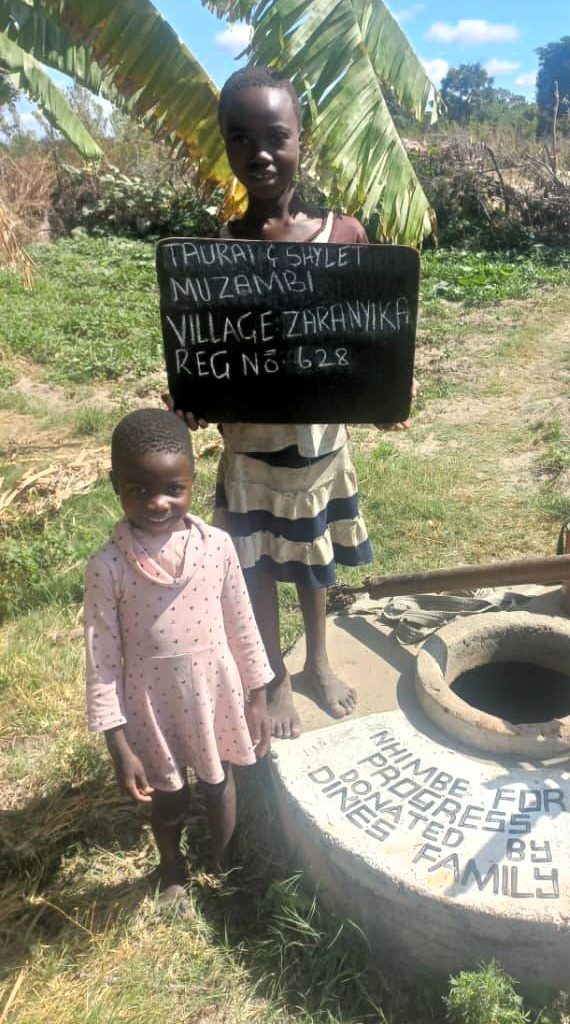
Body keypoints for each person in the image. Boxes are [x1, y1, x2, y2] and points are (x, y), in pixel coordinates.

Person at [165, 65, 410, 739]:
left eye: (277, 135)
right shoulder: (217, 253)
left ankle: (320, 662)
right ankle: (273, 677)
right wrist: (193, 398)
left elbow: (371, 344)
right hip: (249, 451)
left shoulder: (346, 237)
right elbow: (207, 354)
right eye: (240, 138)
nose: (260, 153)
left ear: (303, 139)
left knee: (314, 559)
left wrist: (387, 394)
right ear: (226, 146)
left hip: (322, 446)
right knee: (260, 569)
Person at [84, 408, 273, 906]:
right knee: (170, 800)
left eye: (173, 488)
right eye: (139, 489)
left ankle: (227, 868)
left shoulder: (218, 547)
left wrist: (259, 694)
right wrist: (117, 743)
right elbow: (101, 655)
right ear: (114, 485)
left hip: (214, 692)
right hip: (152, 704)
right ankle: (172, 870)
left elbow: (242, 622)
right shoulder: (107, 567)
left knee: (219, 784)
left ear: (192, 480)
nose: (158, 502)